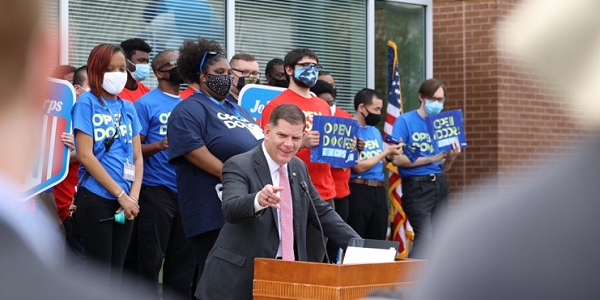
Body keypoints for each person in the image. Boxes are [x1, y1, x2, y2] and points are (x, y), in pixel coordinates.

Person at [197, 104, 360, 300]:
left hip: (283, 277)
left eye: (296, 138)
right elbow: (231, 208)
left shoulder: (298, 167)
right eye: (282, 136)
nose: (289, 144)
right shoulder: (239, 164)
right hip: (236, 281)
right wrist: (257, 200)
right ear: (267, 131)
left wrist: (359, 245)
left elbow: (322, 213)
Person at [167, 37, 263, 296]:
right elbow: (195, 154)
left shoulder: (239, 110)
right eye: (219, 73)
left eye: (229, 73)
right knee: (218, 286)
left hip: (247, 208)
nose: (228, 78)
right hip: (212, 213)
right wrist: (244, 180)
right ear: (201, 77)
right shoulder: (188, 110)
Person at [71, 43, 143, 286]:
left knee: (117, 274)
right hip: (97, 198)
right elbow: (85, 155)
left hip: (126, 202)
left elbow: (137, 157)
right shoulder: (86, 103)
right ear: (96, 70)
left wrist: (132, 197)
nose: (118, 74)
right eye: (110, 68)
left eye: (122, 68)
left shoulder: (128, 107)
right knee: (99, 277)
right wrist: (120, 194)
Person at [261, 48, 335, 262]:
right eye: (305, 66)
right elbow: (267, 151)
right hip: (291, 192)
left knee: (317, 260)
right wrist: (301, 143)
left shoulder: (322, 104)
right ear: (289, 70)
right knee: (296, 260)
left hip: (324, 191)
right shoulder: (277, 105)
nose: (311, 70)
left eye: (315, 66)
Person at [133, 50, 195, 300]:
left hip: (188, 193)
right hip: (156, 190)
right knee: (149, 260)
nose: (180, 66)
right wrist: (160, 145)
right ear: (159, 73)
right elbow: (134, 150)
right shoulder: (145, 103)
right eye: (174, 64)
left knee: (182, 264)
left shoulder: (191, 103)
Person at [389, 78, 461, 258]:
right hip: (416, 186)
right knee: (425, 237)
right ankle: (409, 282)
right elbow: (396, 159)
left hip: (439, 184)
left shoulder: (442, 125)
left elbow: (443, 167)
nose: (437, 103)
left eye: (441, 100)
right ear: (421, 97)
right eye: (433, 99)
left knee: (440, 237)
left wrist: (451, 157)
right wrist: (431, 158)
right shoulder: (405, 121)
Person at [349, 88, 403, 240]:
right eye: (376, 109)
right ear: (362, 108)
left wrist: (389, 157)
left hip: (379, 189)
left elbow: (378, 163)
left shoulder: (375, 131)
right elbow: (357, 166)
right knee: (357, 241)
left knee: (378, 240)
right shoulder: (350, 130)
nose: (379, 114)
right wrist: (385, 153)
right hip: (358, 189)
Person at [310, 80, 354, 260]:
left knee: (336, 242)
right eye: (324, 103)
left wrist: (351, 147)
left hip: (338, 192)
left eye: (331, 103)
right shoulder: (311, 121)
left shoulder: (344, 118)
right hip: (316, 191)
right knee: (316, 248)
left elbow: (350, 159)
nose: (328, 107)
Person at [53, 65, 88, 267]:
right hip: (67, 202)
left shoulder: (97, 115)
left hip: (95, 202)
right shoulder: (60, 118)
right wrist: (83, 150)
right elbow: (53, 159)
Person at [118, 38, 153, 102]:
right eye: (141, 60)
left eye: (147, 61)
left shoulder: (147, 93)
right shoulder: (113, 92)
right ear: (125, 61)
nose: (145, 65)